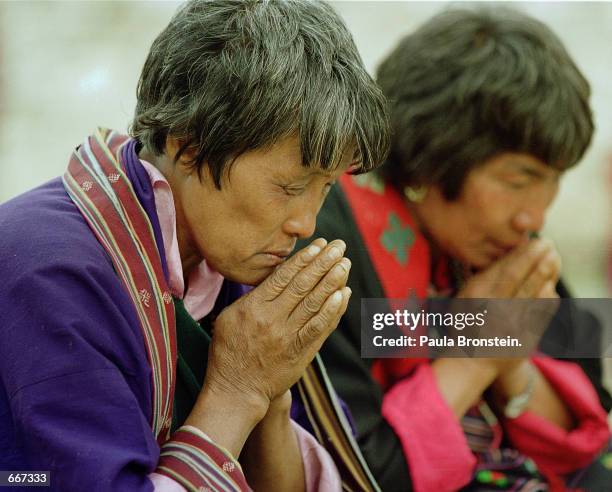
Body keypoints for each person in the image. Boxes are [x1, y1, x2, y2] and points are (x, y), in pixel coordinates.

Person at [0, 1, 390, 491]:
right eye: (290, 188)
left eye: (326, 187)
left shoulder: (230, 261)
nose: (306, 223)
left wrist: (268, 394)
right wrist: (237, 389)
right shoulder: (49, 272)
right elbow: (389, 465)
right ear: (190, 148)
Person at [308, 8, 612, 492]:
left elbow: (591, 442)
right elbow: (354, 468)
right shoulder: (327, 242)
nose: (532, 217)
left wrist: (509, 358)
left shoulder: (507, 248)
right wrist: (478, 350)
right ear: (438, 156)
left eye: (552, 181)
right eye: (517, 180)